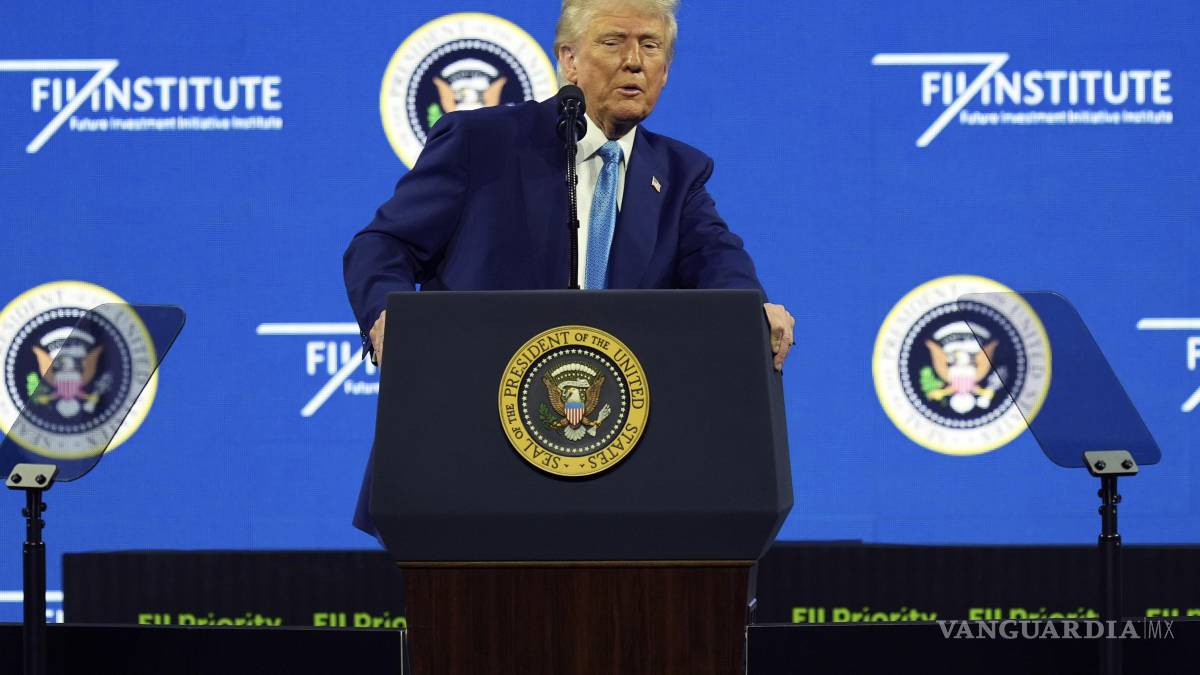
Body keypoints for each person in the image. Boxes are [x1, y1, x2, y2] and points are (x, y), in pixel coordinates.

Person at [343, 0, 795, 535]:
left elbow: (717, 258)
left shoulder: (678, 173)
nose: (634, 61)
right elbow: (384, 244)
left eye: (650, 46)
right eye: (613, 41)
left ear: (666, 70)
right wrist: (388, 317)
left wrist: (753, 309)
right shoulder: (481, 143)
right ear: (569, 59)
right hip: (471, 449)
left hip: (620, 471)